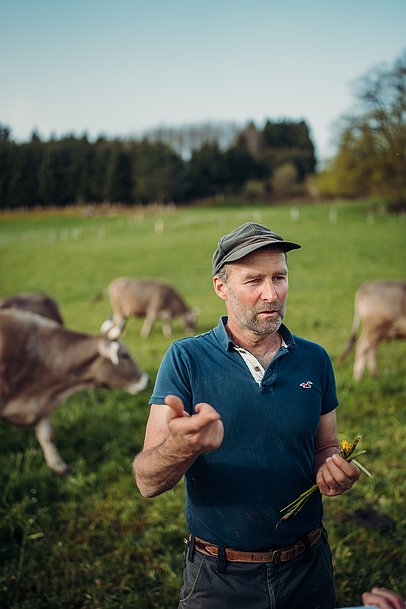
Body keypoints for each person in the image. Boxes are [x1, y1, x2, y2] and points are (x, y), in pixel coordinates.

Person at [133, 222, 361, 609]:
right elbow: (147, 482)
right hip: (218, 577)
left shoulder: (315, 360)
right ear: (221, 287)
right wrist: (180, 447)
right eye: (253, 280)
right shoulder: (185, 359)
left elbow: (324, 445)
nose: (271, 294)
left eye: (279, 277)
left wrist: (332, 468)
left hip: (307, 568)